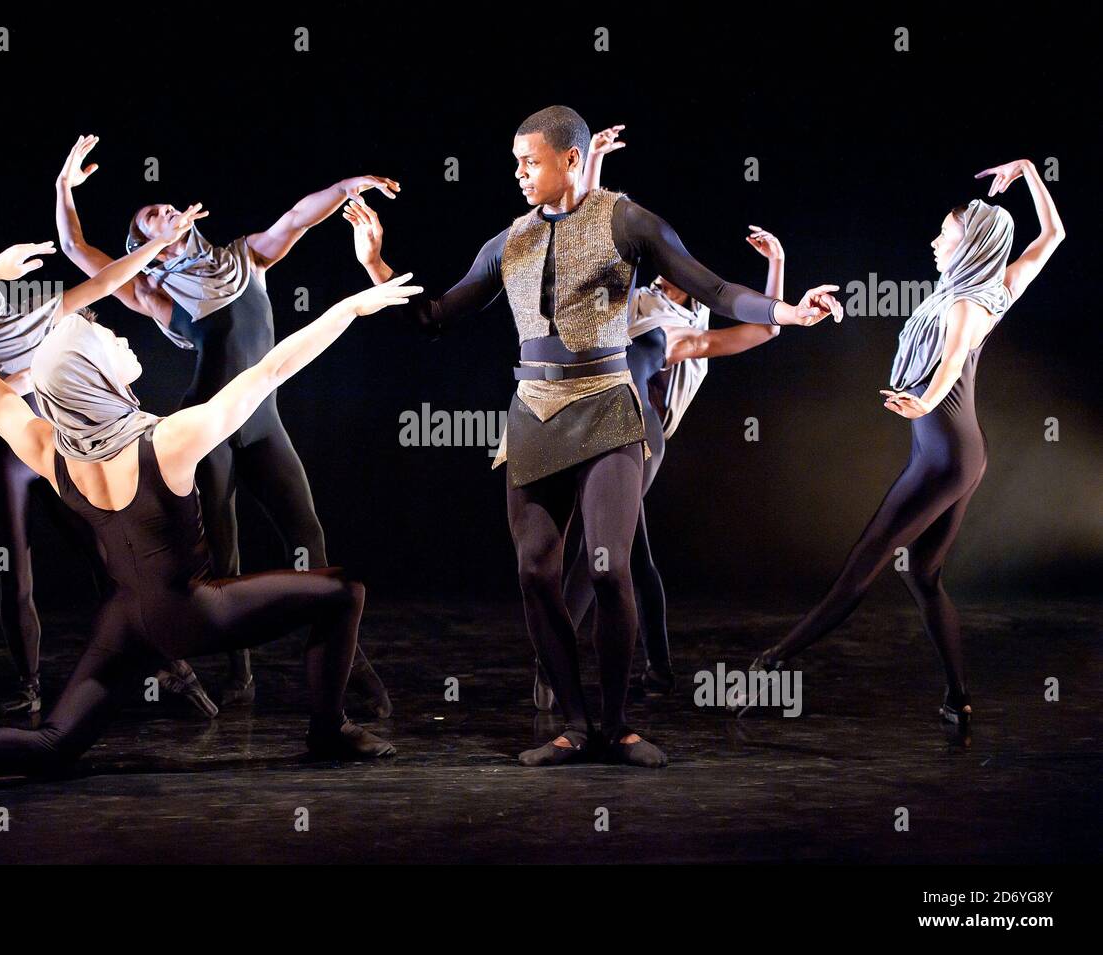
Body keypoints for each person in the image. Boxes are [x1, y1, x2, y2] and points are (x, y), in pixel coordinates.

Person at [0, 224, 418, 808]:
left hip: (124, 624)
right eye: (102, 337)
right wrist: (351, 307)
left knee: (53, 743)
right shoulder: (168, 442)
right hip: (190, 615)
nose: (116, 337)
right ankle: (328, 731)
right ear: (96, 374)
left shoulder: (49, 452)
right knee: (343, 590)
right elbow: (271, 370)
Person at [344, 105, 841, 767]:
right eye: (516, 162)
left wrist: (788, 311)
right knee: (535, 570)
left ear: (571, 158)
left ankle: (617, 725)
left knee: (609, 570)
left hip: (609, 409)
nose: (519, 172)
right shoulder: (509, 240)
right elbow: (435, 315)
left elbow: (714, 288)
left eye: (531, 161)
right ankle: (573, 725)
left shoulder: (626, 221)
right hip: (535, 413)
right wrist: (377, 264)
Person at [55, 135, 395, 715]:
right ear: (149, 248)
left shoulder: (245, 256)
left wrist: (345, 188)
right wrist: (64, 188)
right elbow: (75, 246)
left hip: (263, 423)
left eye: (165, 207)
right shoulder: (153, 291)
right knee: (223, 550)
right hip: (204, 427)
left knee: (308, 536)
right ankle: (241, 671)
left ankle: (349, 656)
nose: (164, 213)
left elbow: (294, 220)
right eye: (150, 219)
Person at [734, 159, 1065, 725]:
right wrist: (1031, 172)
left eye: (946, 232)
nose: (936, 241)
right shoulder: (997, 286)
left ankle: (769, 664)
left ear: (973, 241)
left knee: (864, 565)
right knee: (922, 573)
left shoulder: (968, 303)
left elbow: (955, 356)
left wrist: (928, 399)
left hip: (944, 458)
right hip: (959, 455)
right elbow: (1054, 234)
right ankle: (957, 699)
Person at [537, 125, 789, 709]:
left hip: (634, 434)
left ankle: (553, 665)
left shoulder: (678, 331)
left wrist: (776, 266)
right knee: (633, 554)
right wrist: (591, 162)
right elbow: (586, 239)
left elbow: (765, 327)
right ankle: (661, 668)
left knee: (597, 552)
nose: (665, 265)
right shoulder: (623, 299)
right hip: (584, 421)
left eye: (677, 267)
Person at [0, 230, 216, 719]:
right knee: (13, 569)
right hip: (3, 451)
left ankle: (172, 668)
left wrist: (155, 244)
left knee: (107, 556)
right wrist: (6, 387)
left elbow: (103, 282)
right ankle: (28, 686)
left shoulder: (28, 302)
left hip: (57, 441)